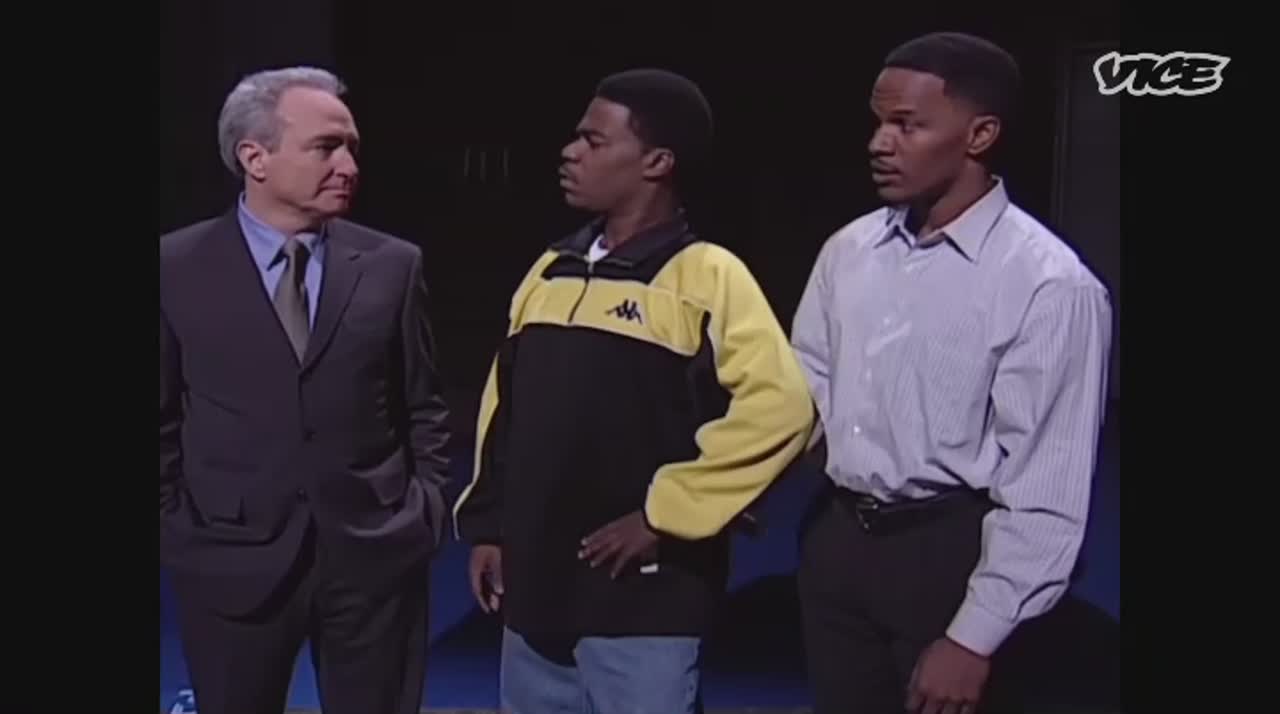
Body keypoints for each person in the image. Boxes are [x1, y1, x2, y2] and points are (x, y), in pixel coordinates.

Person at [452, 68, 815, 714]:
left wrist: (667, 514)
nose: (570, 153)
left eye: (593, 141)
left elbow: (782, 409)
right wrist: (489, 526)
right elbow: (500, 411)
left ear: (657, 161)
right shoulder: (551, 270)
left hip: (645, 603)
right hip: (533, 596)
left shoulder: (707, 275)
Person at [790, 32, 1112, 714]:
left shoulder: (1049, 284)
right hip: (838, 539)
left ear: (979, 134)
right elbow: (803, 391)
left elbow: (1046, 484)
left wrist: (974, 637)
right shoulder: (849, 250)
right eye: (878, 122)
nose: (880, 143)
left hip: (952, 554)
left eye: (907, 125)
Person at [159, 66, 452, 714]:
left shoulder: (392, 265)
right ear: (254, 157)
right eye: (326, 147)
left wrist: (423, 512)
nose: (349, 166)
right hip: (230, 559)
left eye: (352, 148)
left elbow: (423, 406)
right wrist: (179, 531)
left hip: (375, 557)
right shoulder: (174, 267)